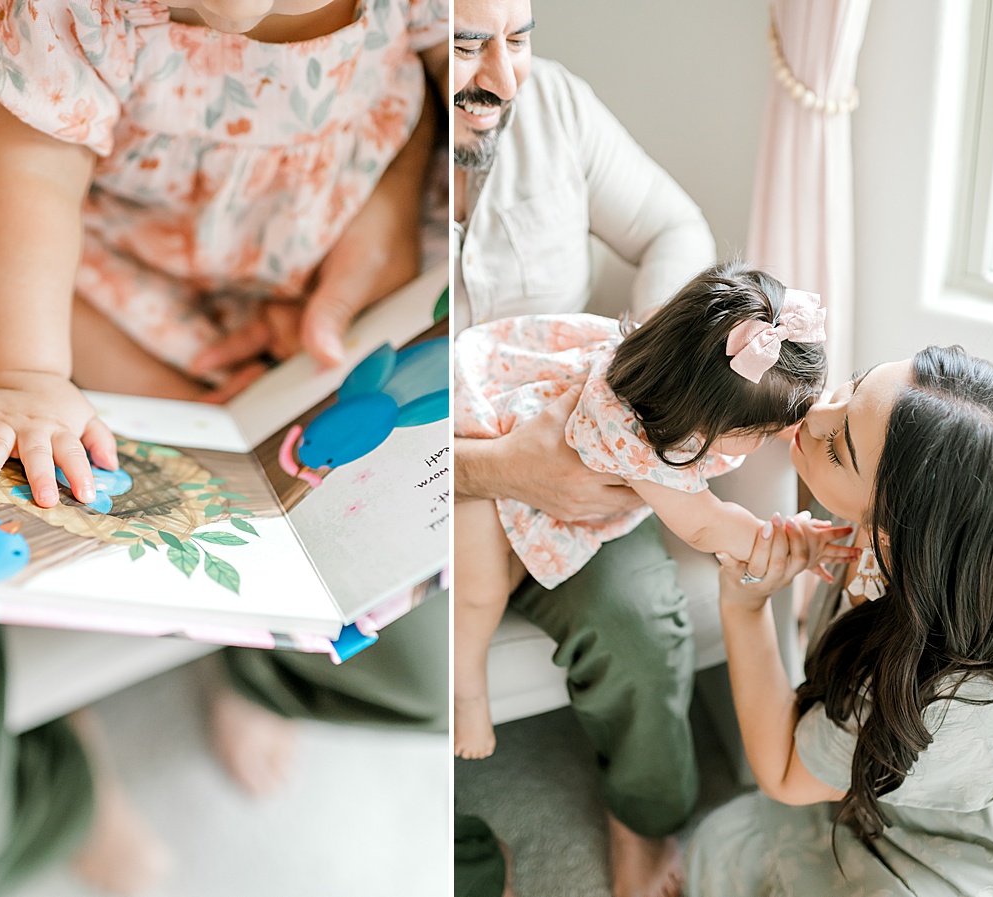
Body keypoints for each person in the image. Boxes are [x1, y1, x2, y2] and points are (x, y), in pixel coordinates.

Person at [0, 0, 451, 891]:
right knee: (170, 513)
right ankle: (111, 739)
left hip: (332, 277)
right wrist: (26, 377)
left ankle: (246, 671)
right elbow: (31, 180)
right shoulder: (83, 15)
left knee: (405, 633)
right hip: (138, 289)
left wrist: (396, 215)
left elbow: (460, 92)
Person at [447, 0, 716, 893]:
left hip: (572, 454)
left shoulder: (556, 107)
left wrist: (637, 365)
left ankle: (646, 814)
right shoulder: (348, 134)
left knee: (639, 620)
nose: (506, 74)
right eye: (465, 45)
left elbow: (677, 229)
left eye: (520, 38)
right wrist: (494, 469)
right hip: (413, 474)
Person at [684, 346, 993, 895]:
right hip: (873, 788)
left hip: (964, 853)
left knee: (726, 853)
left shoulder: (950, 701)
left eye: (839, 447)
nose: (817, 414)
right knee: (719, 844)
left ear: (893, 534)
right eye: (851, 387)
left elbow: (783, 772)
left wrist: (744, 605)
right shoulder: (955, 537)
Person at [452, 263, 826, 759]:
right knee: (481, 588)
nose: (763, 440)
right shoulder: (642, 443)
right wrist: (781, 541)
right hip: (481, 441)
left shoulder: (678, 369)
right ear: (708, 416)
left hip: (513, 395)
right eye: (757, 431)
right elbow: (705, 524)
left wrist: (806, 419)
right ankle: (467, 691)